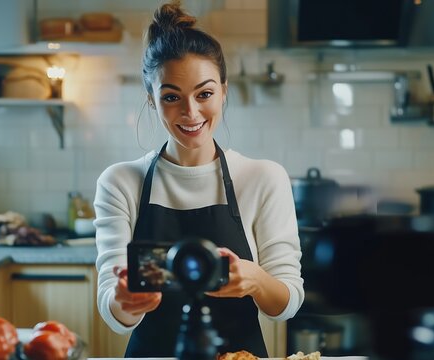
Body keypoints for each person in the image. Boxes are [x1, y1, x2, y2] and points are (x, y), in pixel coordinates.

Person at [94, 1, 304, 357]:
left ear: (224, 91)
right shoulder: (120, 182)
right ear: (152, 100)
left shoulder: (263, 178)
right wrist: (124, 299)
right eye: (172, 97)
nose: (190, 113)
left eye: (204, 94)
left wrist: (254, 279)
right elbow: (113, 313)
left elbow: (286, 303)